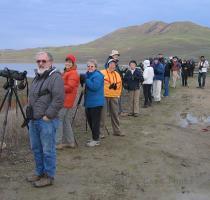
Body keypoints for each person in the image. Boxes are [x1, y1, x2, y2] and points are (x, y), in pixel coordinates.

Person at [26, 52, 64, 187]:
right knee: (36, 148)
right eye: (38, 61)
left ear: (50, 62)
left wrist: (48, 115)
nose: (41, 63)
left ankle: (49, 176)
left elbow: (59, 99)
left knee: (48, 150)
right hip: (34, 120)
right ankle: (39, 172)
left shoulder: (55, 77)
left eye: (43, 61)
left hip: (46, 120)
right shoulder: (37, 77)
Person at [56, 54, 79, 150]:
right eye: (67, 61)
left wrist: (57, 86)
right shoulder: (67, 72)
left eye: (70, 62)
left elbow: (69, 88)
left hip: (65, 101)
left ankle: (57, 143)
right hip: (66, 100)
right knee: (65, 121)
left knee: (59, 120)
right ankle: (70, 142)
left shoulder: (73, 73)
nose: (68, 63)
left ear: (73, 63)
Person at [100, 59, 124, 137]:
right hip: (104, 96)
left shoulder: (117, 74)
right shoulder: (102, 72)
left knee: (115, 114)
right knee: (102, 115)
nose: (113, 65)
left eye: (114, 64)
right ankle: (100, 133)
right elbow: (98, 83)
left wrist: (118, 94)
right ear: (108, 64)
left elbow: (120, 85)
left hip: (114, 96)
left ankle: (117, 131)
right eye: (111, 63)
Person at [84, 59, 104, 147]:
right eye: (88, 66)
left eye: (92, 66)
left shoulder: (97, 75)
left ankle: (96, 140)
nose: (90, 68)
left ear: (95, 67)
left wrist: (86, 80)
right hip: (90, 102)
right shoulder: (89, 74)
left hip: (96, 103)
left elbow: (94, 87)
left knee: (95, 122)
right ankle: (94, 137)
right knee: (91, 121)